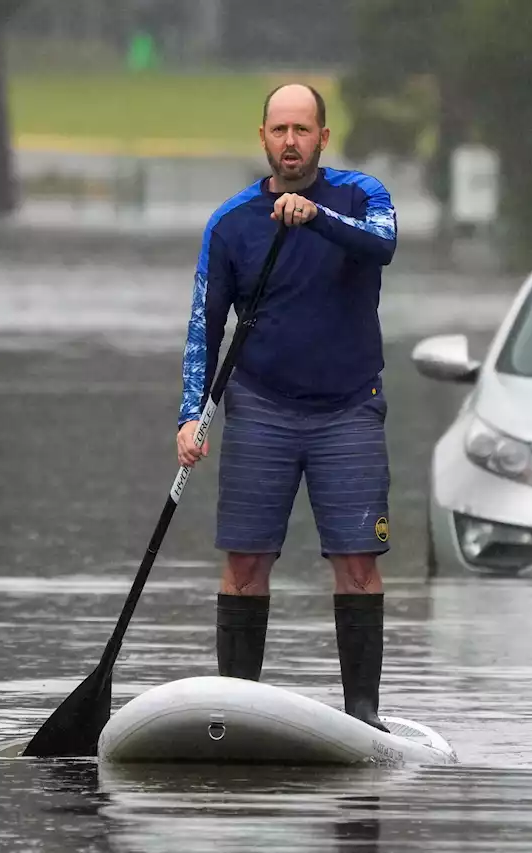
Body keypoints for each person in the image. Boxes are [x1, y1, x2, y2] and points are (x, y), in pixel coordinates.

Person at [175, 82, 397, 733]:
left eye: (303, 130)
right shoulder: (232, 222)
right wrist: (191, 415)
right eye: (280, 130)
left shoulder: (362, 196)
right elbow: (203, 328)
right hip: (262, 410)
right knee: (245, 562)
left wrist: (314, 216)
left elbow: (381, 243)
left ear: (323, 138)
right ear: (264, 137)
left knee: (358, 562)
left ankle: (364, 713)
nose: (291, 142)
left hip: (349, 408)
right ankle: (238, 708)